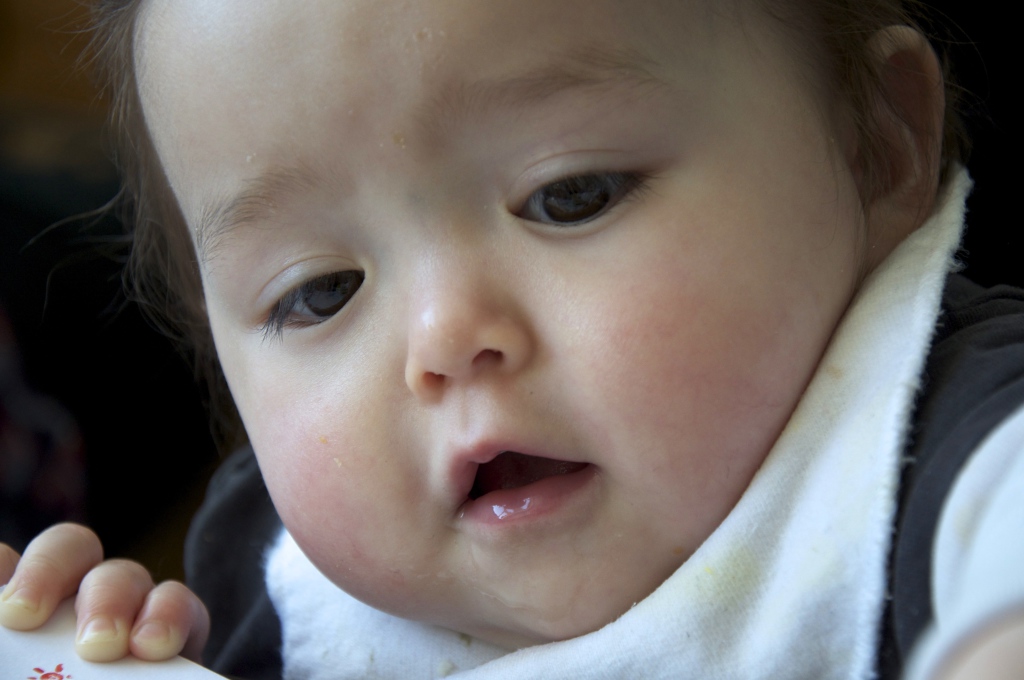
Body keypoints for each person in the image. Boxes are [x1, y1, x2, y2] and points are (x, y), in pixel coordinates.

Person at [2, 0, 1022, 677]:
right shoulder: (274, 600)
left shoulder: (959, 451)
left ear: (873, 143)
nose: (444, 339)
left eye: (569, 195)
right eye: (320, 292)